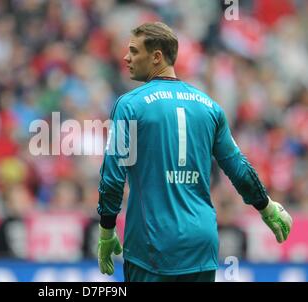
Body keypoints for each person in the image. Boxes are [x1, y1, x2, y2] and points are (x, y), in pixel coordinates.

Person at [96, 22, 293, 282]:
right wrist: (266, 206)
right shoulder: (210, 107)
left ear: (156, 57)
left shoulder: (129, 105)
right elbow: (237, 168)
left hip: (152, 246)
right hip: (201, 245)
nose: (126, 57)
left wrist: (107, 230)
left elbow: (112, 178)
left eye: (134, 50)